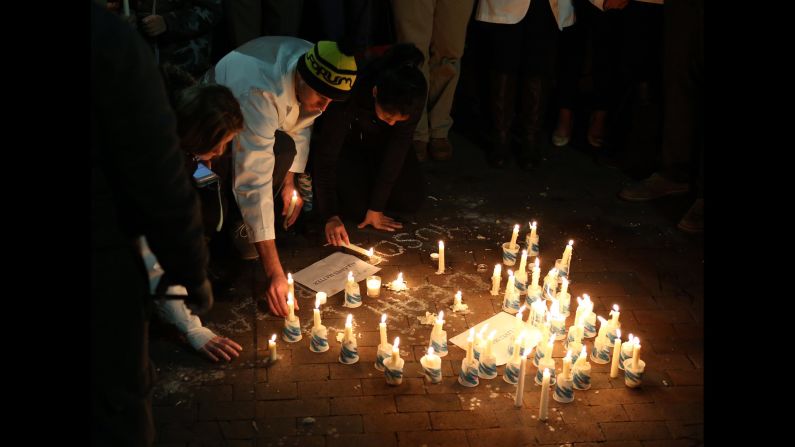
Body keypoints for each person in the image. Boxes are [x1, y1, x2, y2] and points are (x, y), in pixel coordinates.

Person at [92, 3, 212, 446]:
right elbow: (157, 182)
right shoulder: (108, 39)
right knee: (115, 405)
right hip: (101, 262)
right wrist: (192, 274)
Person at [207, 37, 358, 316]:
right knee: (253, 172)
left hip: (262, 118)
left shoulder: (313, 70)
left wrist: (289, 181)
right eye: (322, 98)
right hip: (215, 118)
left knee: (285, 151)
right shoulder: (259, 92)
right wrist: (275, 272)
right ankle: (231, 224)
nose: (324, 107)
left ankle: (254, 225)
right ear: (300, 77)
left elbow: (302, 120)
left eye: (330, 101)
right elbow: (252, 179)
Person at [152, 63, 245, 362]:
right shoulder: (158, 171)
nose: (220, 153)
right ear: (197, 135)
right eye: (218, 145)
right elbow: (154, 255)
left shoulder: (192, 152)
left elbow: (205, 177)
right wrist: (191, 328)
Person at [311, 43, 428, 244]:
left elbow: (398, 149)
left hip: (380, 144)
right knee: (355, 209)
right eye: (388, 116)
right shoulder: (350, 92)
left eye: (397, 120)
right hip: (349, 144)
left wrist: (376, 206)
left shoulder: (413, 93)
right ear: (375, 92)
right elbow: (327, 155)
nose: (392, 123)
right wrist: (330, 215)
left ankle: (371, 190)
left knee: (410, 199)